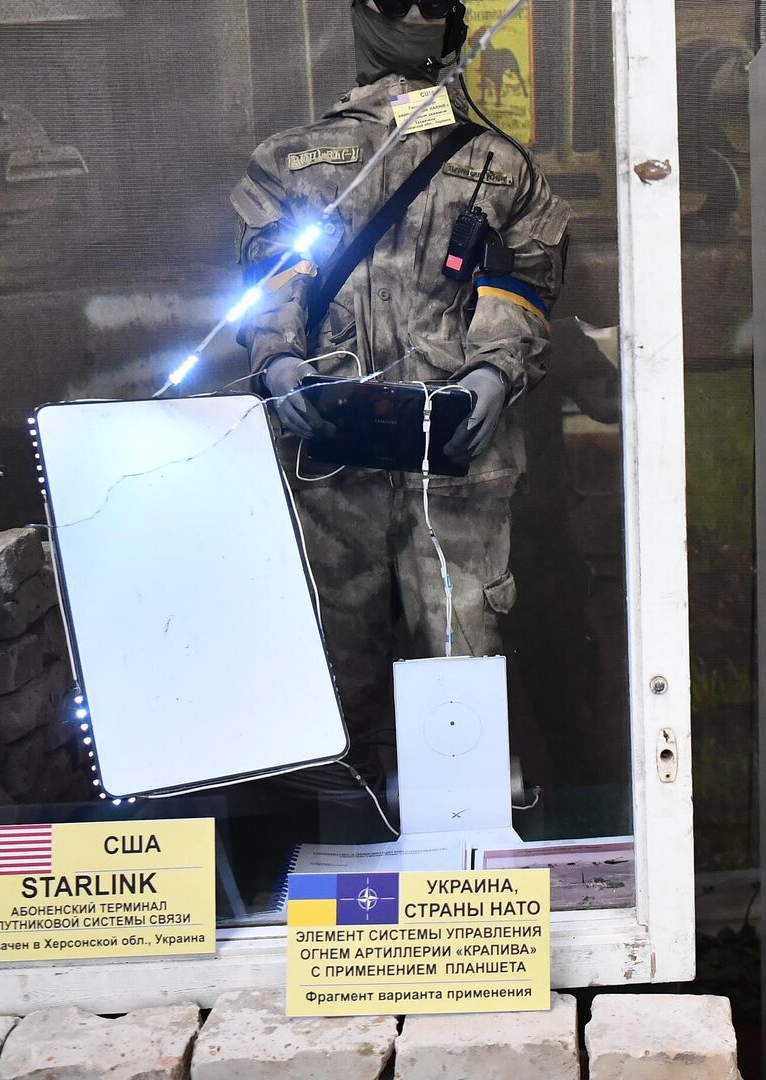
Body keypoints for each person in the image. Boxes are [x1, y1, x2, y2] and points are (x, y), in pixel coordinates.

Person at [229, 0, 571, 806]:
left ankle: (365, 815)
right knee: (442, 644)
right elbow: (525, 283)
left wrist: (281, 362)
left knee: (379, 645)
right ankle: (443, 810)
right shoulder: (498, 162)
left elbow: (269, 281)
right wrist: (490, 371)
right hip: (410, 444)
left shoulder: (290, 162)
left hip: (370, 443)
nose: (414, 14)